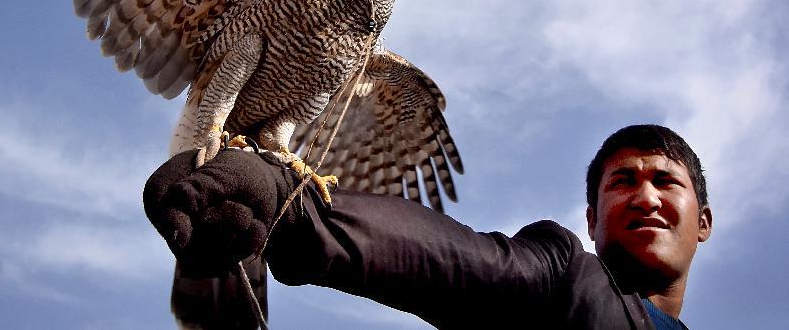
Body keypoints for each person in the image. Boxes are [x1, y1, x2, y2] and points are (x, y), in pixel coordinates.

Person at [144, 124, 712, 329]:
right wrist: (294, 205)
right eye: (622, 182)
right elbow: (453, 260)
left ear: (703, 220)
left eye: (666, 181)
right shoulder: (563, 281)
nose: (645, 196)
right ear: (591, 220)